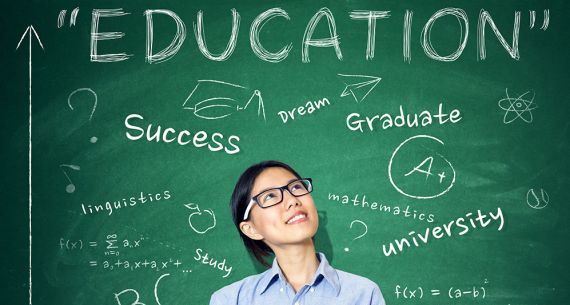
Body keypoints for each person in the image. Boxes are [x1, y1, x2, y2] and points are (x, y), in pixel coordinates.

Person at [210, 160, 386, 305]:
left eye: (296, 187)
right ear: (251, 229)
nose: (292, 200)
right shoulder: (231, 300)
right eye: (270, 196)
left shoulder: (363, 294)